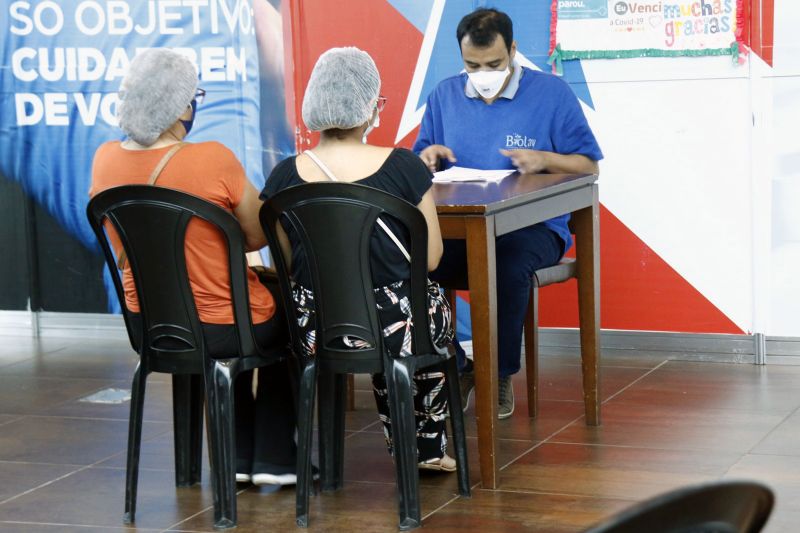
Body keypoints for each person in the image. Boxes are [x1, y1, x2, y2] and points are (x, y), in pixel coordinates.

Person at [89, 48, 299, 486]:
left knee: (240, 308)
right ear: (182, 106)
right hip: (223, 327)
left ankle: (238, 457)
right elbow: (259, 234)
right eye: (193, 96)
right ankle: (274, 457)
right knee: (289, 316)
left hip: (149, 326)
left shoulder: (104, 159)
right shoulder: (212, 159)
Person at [261, 47, 457, 472]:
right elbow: (432, 258)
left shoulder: (282, 176)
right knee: (420, 305)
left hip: (316, 328)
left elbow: (284, 266)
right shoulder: (403, 167)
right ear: (370, 107)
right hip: (397, 327)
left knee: (390, 308)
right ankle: (426, 447)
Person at [412, 8, 603, 419]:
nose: (483, 74)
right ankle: (456, 365)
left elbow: (590, 166)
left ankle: (496, 373)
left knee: (507, 263)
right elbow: (417, 163)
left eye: (494, 65)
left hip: (533, 229)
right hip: (462, 231)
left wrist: (544, 159)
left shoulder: (551, 94)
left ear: (513, 51)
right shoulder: (444, 95)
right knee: (411, 262)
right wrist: (429, 156)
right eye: (473, 66)